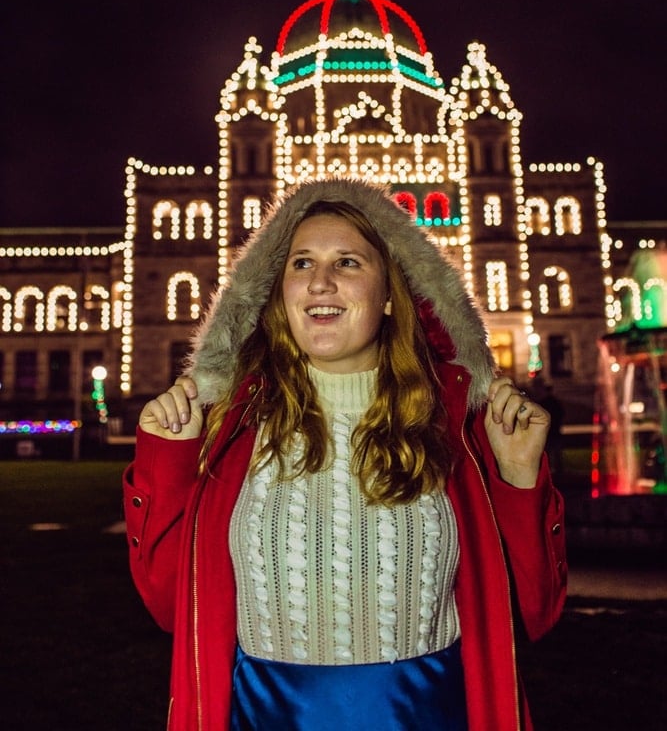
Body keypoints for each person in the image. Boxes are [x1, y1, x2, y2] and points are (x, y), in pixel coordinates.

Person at [124, 178, 566, 731]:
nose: (321, 282)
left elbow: (537, 613)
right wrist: (169, 459)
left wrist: (518, 477)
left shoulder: (455, 428)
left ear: (388, 296)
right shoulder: (232, 429)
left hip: (422, 715)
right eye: (301, 264)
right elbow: (169, 607)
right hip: (265, 716)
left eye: (349, 263)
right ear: (277, 295)